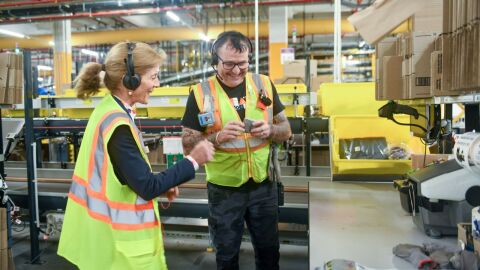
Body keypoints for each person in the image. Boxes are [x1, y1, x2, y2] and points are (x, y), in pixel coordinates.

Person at [57, 41, 214, 270]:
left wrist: (166, 182)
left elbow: (128, 175)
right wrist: (193, 160)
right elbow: (147, 186)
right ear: (129, 80)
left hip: (102, 235)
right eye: (153, 77)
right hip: (120, 248)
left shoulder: (109, 110)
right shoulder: (118, 125)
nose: (157, 84)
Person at [181, 31, 292, 270]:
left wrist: (270, 130)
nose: (236, 70)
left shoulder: (263, 84)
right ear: (214, 61)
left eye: (242, 64)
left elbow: (286, 130)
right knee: (227, 255)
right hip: (224, 191)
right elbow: (188, 145)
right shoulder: (201, 93)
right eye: (228, 64)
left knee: (269, 253)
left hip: (263, 185)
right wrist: (217, 137)